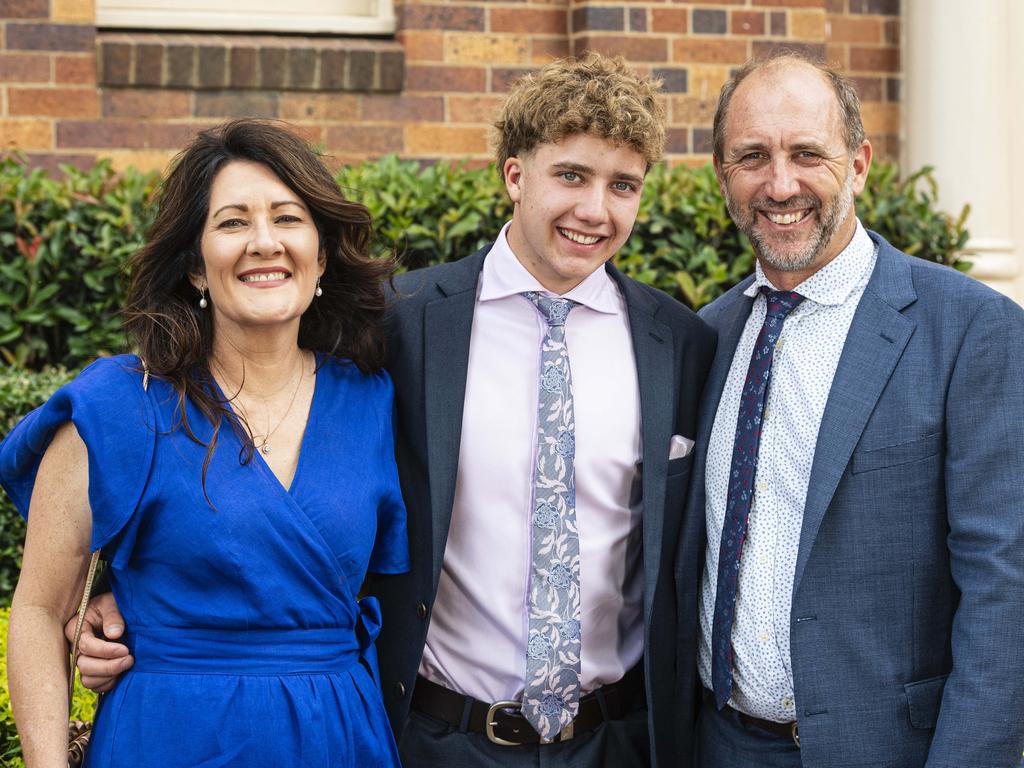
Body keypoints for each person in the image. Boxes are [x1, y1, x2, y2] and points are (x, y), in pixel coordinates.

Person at [1, 119, 409, 767]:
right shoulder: (114, 407)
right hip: (166, 737)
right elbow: (39, 611)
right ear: (194, 265)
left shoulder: (375, 401)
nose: (264, 242)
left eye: (287, 218)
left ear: (322, 255)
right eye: (232, 223)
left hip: (337, 737)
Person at [678, 51, 1024, 767]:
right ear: (722, 174)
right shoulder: (705, 338)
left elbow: (1006, 584)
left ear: (859, 163)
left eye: (808, 153)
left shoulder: (968, 329)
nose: (781, 184)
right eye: (752, 156)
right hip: (721, 747)